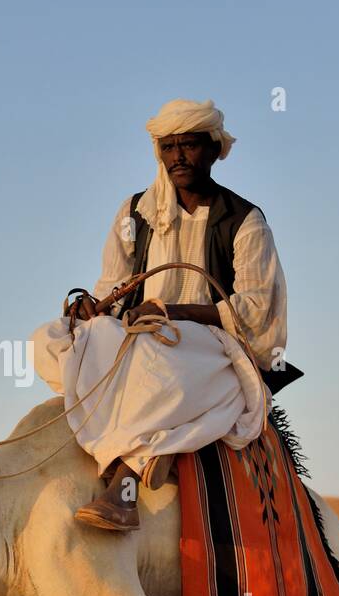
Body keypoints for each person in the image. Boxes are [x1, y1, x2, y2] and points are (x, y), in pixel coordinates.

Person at [31, 98, 289, 532]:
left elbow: (256, 308)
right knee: (51, 339)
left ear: (213, 149)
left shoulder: (245, 221)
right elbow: (111, 285)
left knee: (155, 364)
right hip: (137, 331)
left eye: (188, 146)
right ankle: (148, 436)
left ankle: (125, 488)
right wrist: (95, 308)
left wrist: (175, 312)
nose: (178, 158)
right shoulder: (135, 212)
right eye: (168, 148)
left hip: (210, 343)